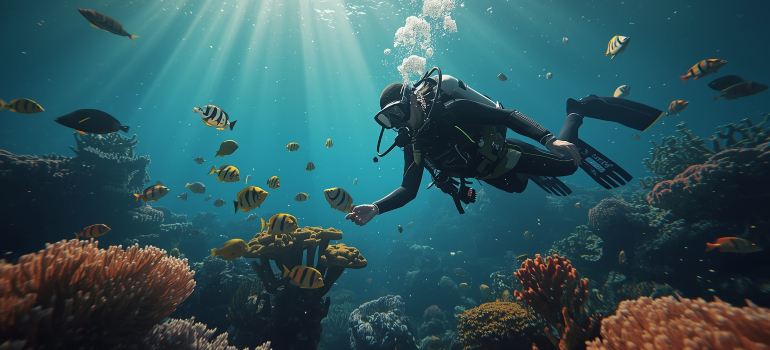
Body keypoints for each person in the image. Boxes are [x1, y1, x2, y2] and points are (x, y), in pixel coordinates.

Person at [345, 68, 663, 226]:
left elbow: (507, 115)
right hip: (488, 172)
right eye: (390, 120)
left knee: (569, 165)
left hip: (505, 155)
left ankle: (579, 109)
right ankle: (535, 166)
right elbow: (408, 189)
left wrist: (550, 139)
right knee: (519, 188)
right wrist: (375, 208)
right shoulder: (412, 143)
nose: (400, 123)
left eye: (400, 112)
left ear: (414, 98)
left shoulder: (452, 109)